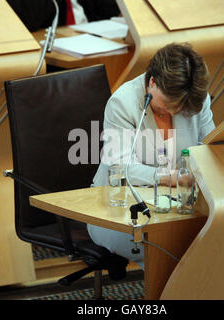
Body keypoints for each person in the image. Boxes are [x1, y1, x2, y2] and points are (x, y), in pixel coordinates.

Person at [87, 43, 215, 269]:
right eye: (167, 104)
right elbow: (121, 168)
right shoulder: (123, 104)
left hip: (175, 206)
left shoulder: (194, 99)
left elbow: (209, 152)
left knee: (215, 242)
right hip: (116, 208)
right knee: (169, 249)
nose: (174, 112)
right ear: (152, 82)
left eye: (180, 108)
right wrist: (170, 177)